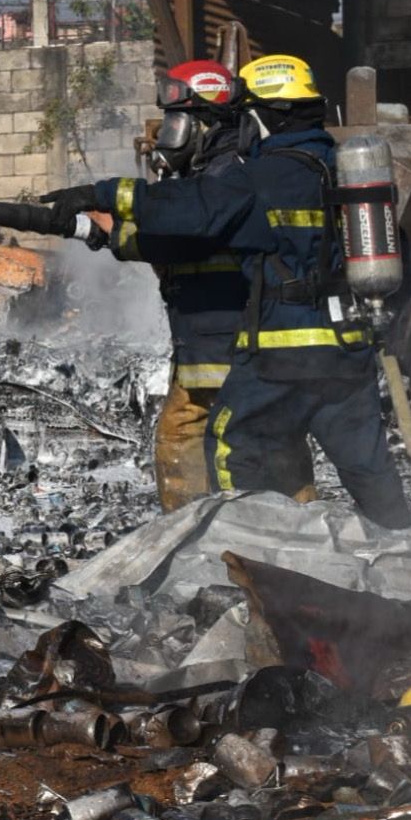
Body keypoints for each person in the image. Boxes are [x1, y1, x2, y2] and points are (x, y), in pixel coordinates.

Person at [44, 54, 411, 529]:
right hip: (349, 349)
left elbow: (192, 213)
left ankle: (240, 549)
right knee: (369, 469)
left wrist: (100, 194)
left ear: (259, 116)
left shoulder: (256, 178)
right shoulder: (350, 174)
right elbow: (402, 259)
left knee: (228, 445)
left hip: (282, 351)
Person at [118, 60, 315, 512]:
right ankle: (283, 529)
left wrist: (114, 234)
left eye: (174, 121)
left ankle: (199, 536)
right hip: (210, 335)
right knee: (268, 435)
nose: (166, 136)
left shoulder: (226, 174)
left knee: (205, 435)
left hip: (226, 335)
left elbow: (186, 240)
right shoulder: (217, 170)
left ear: (201, 122)